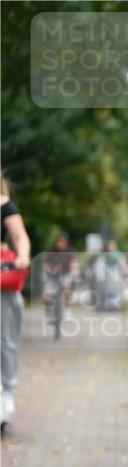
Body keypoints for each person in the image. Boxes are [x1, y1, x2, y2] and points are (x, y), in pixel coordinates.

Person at [1, 170, 31, 431]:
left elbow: (20, 236)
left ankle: (6, 394)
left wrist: (22, 256)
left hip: (2, 280)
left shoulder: (4, 204)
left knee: (5, 341)